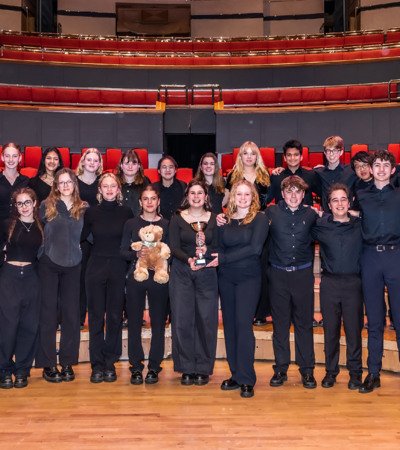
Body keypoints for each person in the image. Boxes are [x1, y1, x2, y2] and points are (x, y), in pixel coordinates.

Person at [35, 168, 87, 383]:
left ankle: (67, 362)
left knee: (71, 315)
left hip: (73, 264)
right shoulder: (45, 206)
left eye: (69, 182)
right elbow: (37, 231)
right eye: (61, 182)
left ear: (75, 184)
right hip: (49, 263)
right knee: (48, 314)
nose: (65, 185)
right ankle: (48, 364)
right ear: (55, 185)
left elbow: (89, 235)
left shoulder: (83, 208)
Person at [218, 180, 268, 398]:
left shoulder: (260, 218)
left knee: (242, 325)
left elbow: (255, 249)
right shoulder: (225, 220)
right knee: (229, 326)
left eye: (247, 194)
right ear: (233, 197)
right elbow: (217, 247)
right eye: (239, 194)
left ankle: (247, 378)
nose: (243, 198)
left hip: (249, 278)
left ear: (253, 197)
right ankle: (236, 374)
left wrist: (223, 258)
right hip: (226, 278)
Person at [267, 175, 318, 389]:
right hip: (278, 275)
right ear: (283, 193)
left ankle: (307, 371)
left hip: (303, 275)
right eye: (289, 191)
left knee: (304, 324)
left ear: (304, 194)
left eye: (298, 191)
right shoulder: (271, 213)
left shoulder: (312, 215)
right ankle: (280, 369)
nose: (293, 195)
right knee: (280, 325)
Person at [356, 150, 400, 393]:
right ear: (370, 170)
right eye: (377, 165)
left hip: (396, 256)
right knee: (374, 320)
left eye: (386, 165)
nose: (381, 169)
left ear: (392, 170)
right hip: (370, 257)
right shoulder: (361, 196)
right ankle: (373, 372)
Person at [82, 173, 133, 383]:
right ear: (100, 190)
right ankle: (96, 364)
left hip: (119, 267)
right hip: (96, 266)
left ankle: (110, 362)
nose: (110, 189)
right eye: (105, 186)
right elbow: (81, 236)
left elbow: (132, 240)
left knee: (114, 317)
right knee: (95, 317)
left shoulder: (127, 212)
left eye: (113, 186)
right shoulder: (91, 212)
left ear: (118, 190)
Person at [312, 184, 363, 389]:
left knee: (353, 331)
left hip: (353, 283)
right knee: (330, 331)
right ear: (329, 205)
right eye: (335, 200)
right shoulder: (321, 226)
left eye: (343, 199)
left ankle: (355, 373)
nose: (340, 203)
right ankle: (331, 372)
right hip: (330, 283)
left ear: (349, 203)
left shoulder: (360, 225)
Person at [169, 179, 219, 386]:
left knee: (206, 320)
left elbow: (218, 244)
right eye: (192, 193)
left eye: (200, 193)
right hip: (182, 271)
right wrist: (188, 259)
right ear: (187, 196)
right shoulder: (177, 218)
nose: (196, 196)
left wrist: (208, 253)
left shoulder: (216, 219)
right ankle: (186, 368)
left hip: (207, 272)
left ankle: (203, 368)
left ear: (206, 197)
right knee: (182, 319)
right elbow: (173, 246)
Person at [120, 185, 169, 385]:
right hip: (137, 276)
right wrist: (135, 254)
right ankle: (136, 366)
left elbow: (170, 251)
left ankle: (154, 367)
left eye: (153, 199)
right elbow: (123, 251)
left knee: (158, 323)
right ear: (140, 202)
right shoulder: (131, 223)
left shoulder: (167, 223)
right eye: (145, 199)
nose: (149, 202)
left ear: (158, 202)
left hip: (158, 277)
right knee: (134, 323)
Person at [0, 188, 43, 389]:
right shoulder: (8, 225)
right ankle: (5, 370)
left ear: (34, 203)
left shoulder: (41, 226)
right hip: (9, 277)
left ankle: (22, 370)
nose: (24, 206)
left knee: (29, 325)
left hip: (32, 277)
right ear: (15, 206)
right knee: (8, 326)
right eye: (20, 203)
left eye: (27, 202)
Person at [75, 148, 103, 328]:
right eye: (89, 160)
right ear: (83, 162)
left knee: (96, 280)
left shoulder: (103, 183)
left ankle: (96, 320)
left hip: (100, 237)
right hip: (80, 236)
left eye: (96, 160)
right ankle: (77, 318)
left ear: (100, 164)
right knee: (80, 278)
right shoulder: (74, 182)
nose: (92, 163)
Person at [268, 140, 316, 206]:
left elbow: (325, 194)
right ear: (284, 158)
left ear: (301, 157)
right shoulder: (276, 177)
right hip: (282, 215)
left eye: (296, 155)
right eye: (289, 155)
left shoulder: (311, 175)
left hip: (305, 215)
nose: (292, 158)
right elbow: (266, 199)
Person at [314, 136, 355, 211]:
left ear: (341, 152)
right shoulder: (318, 173)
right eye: (328, 150)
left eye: (335, 150)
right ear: (325, 153)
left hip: (347, 217)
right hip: (327, 217)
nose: (331, 154)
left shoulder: (351, 171)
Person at [226, 141, 270, 210]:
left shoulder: (265, 174)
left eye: (253, 154)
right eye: (245, 153)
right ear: (240, 156)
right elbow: (226, 200)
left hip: (260, 216)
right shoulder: (232, 175)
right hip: (238, 215)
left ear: (257, 157)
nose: (249, 157)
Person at [0, 143, 29, 226]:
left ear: (20, 158)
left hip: (20, 227)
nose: (11, 159)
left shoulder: (26, 181)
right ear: (2, 157)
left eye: (15, 156)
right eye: (7, 156)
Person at [116, 149, 150, 217]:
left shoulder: (145, 182)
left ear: (139, 166)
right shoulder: (114, 182)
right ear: (121, 166)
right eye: (127, 163)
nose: (130, 167)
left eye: (134, 163)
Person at [153, 156, 186, 220]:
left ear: (175, 170)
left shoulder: (183, 186)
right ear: (159, 171)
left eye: (171, 167)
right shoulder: (153, 189)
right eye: (164, 167)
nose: (167, 170)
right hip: (159, 226)